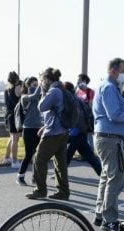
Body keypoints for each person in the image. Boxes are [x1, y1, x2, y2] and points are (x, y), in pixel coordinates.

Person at [92, 58, 124, 231]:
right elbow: (114, 115)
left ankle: (100, 213)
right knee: (116, 179)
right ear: (114, 71)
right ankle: (109, 220)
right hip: (110, 139)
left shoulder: (106, 86)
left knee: (106, 177)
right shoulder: (110, 88)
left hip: (105, 137)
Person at [26, 67, 70, 201]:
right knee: (60, 163)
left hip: (53, 133)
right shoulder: (61, 89)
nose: (41, 82)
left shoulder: (54, 91)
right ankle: (63, 191)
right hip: (62, 131)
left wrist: (43, 91)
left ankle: (40, 190)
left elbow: (41, 107)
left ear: (47, 79)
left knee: (39, 159)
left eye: (42, 80)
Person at [64, 81, 102, 176]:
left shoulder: (70, 100)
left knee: (68, 154)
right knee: (89, 155)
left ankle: (60, 174)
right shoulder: (79, 100)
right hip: (82, 130)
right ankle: (102, 174)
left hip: (75, 131)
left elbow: (74, 117)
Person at [15, 76, 42, 185]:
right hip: (28, 129)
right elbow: (34, 95)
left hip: (38, 128)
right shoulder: (24, 97)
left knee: (38, 154)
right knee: (28, 154)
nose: (36, 87)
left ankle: (35, 177)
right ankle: (20, 177)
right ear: (27, 85)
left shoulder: (39, 97)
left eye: (37, 85)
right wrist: (41, 84)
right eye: (33, 85)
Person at [3, 71, 22, 167]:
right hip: (15, 116)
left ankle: (6, 157)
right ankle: (14, 161)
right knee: (15, 139)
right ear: (17, 79)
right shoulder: (17, 88)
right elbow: (20, 100)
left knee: (11, 138)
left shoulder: (7, 89)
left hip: (8, 115)